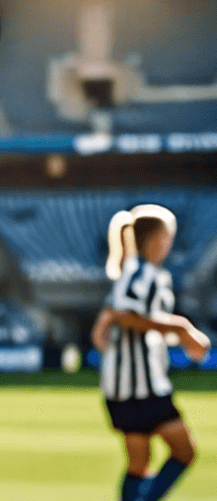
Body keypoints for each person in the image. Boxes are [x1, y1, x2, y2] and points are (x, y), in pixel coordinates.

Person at [91, 204, 210, 501]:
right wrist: (181, 329)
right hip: (139, 388)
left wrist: (173, 335)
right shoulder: (140, 273)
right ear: (157, 239)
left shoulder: (138, 272)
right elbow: (127, 315)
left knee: (139, 465)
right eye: (168, 237)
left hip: (126, 387)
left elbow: (118, 316)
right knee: (184, 452)